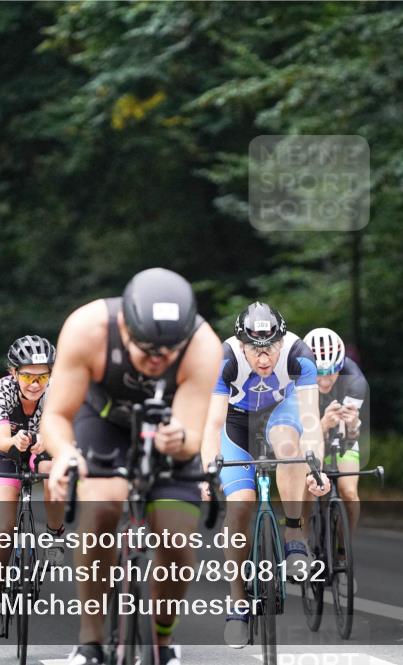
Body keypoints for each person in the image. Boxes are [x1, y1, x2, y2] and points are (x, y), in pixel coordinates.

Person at [43, 268, 224, 665]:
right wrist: (66, 455)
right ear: (124, 326)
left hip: (167, 432)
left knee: (177, 541)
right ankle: (91, 641)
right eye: (146, 352)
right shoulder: (88, 328)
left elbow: (191, 437)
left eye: (168, 354)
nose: (157, 362)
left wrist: (178, 442)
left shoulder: (204, 346)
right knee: (102, 507)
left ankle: (162, 640)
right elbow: (56, 415)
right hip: (102, 423)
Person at [201, 302, 330, 649]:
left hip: (281, 413)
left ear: (281, 341)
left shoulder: (299, 355)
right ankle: (238, 601)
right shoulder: (225, 358)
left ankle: (293, 536)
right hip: (236, 424)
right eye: (254, 350)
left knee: (290, 449)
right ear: (241, 344)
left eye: (270, 348)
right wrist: (207, 472)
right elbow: (212, 424)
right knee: (240, 504)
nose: (262, 358)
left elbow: (310, 419)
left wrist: (314, 463)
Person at [0, 335, 64, 638]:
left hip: (42, 446)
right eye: (28, 375)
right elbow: (3, 441)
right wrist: (16, 441)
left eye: (43, 375)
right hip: (4, 450)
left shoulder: (56, 391)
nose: (35, 383)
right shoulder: (0, 390)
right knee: (3, 528)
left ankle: (55, 535)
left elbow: (63, 431)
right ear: (13, 372)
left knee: (54, 472)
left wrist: (47, 441)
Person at [303, 327, 369, 538]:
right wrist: (322, 425)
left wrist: (351, 426)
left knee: (349, 493)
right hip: (309, 437)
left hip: (342, 438)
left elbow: (350, 437)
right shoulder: (298, 379)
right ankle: (300, 540)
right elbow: (300, 433)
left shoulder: (355, 382)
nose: (323, 380)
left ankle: (343, 545)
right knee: (306, 488)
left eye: (330, 372)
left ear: (340, 366)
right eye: (318, 374)